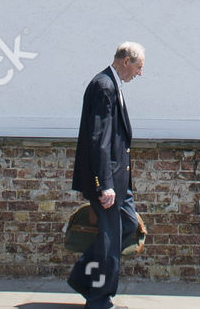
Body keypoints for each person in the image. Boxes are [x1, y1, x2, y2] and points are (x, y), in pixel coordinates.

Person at [68, 43, 145, 309]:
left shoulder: (111, 84)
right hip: (108, 181)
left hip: (119, 181)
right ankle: (99, 299)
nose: (139, 73)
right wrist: (104, 185)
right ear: (125, 61)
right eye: (138, 66)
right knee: (110, 241)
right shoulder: (104, 86)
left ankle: (81, 276)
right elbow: (98, 139)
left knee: (129, 225)